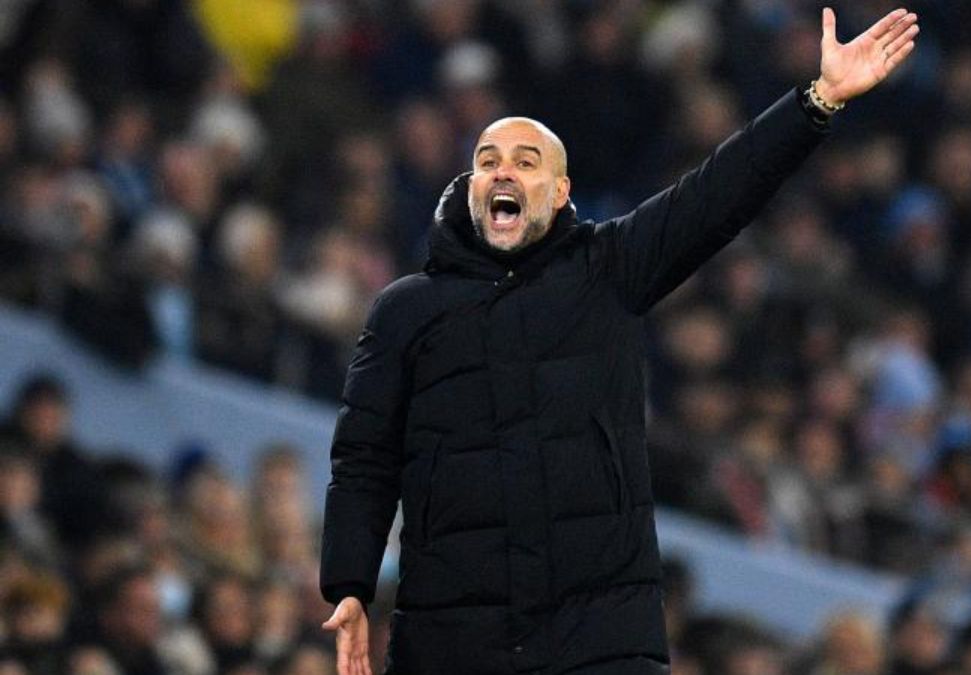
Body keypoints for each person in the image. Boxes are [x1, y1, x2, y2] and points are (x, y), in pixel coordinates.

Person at [320, 7, 920, 674]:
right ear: (470, 190)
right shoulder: (405, 310)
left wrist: (816, 101)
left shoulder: (608, 268)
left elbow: (717, 193)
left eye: (527, 161)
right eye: (488, 161)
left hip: (600, 636)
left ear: (561, 191)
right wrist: (349, 583)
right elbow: (364, 461)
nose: (505, 173)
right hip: (455, 639)